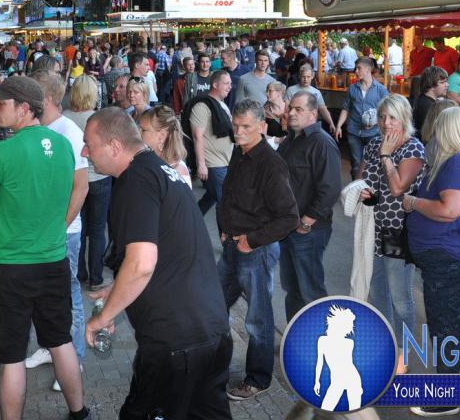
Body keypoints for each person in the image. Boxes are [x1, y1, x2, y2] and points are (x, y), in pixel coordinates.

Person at [82, 108, 233, 420]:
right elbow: (167, 250)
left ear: (114, 146)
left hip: (176, 342)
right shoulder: (159, 170)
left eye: (89, 144)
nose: (84, 152)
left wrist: (102, 318)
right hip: (211, 330)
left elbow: (142, 264)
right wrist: (118, 288)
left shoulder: (135, 179)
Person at [0, 76, 90, 420]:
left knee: (11, 357)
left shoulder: (2, 152)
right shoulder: (63, 145)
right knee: (60, 341)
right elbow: (73, 188)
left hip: (10, 267)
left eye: (2, 103)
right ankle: (80, 413)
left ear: (24, 108)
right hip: (53, 260)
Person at [403, 107, 460, 417]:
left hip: (452, 257)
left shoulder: (457, 163)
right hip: (452, 255)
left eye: (438, 127)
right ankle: (457, 376)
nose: (433, 132)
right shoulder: (454, 161)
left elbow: (449, 210)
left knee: (444, 324)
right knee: (453, 318)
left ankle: (448, 394)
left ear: (447, 130)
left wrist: (414, 202)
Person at [218, 100, 299, 401]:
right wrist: (225, 228)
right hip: (231, 247)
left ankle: (258, 379)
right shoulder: (239, 152)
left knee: (258, 320)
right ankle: (214, 369)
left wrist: (251, 241)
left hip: (256, 251)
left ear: (262, 127)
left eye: (246, 127)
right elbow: (229, 195)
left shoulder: (271, 164)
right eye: (235, 126)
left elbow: (289, 218)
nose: (238, 132)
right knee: (214, 306)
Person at [26, 71, 89, 392]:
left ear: (47, 99)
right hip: (42, 231)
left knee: (68, 295)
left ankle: (74, 358)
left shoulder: (69, 133)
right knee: (44, 295)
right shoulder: (40, 129)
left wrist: (61, 226)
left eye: (32, 94)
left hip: (64, 232)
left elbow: (81, 187)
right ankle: (51, 348)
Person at [358, 94, 425, 375]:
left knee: (400, 297)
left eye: (393, 117)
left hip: (398, 231)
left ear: (405, 118)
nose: (386, 123)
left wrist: (386, 156)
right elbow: (362, 179)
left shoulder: (413, 148)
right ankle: (386, 346)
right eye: (382, 117)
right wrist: (362, 191)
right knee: (377, 292)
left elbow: (398, 188)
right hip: (372, 230)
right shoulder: (373, 144)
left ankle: (403, 351)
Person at [278, 91, 342, 321]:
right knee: (292, 290)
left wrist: (306, 222)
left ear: (313, 114)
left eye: (299, 109)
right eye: (291, 108)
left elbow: (330, 189)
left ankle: (320, 339)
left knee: (311, 291)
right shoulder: (290, 140)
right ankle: (295, 338)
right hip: (286, 228)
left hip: (308, 231)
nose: (292, 113)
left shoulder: (322, 143)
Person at [63, 76, 112, 291]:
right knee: (98, 228)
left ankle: (79, 272)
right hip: (99, 178)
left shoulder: (64, 118)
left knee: (79, 226)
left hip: (74, 180)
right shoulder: (98, 118)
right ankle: (96, 278)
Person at [190, 71, 234, 222]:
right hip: (213, 164)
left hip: (225, 161)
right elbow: (197, 136)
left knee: (211, 197)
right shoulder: (202, 106)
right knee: (224, 203)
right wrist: (201, 164)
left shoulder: (221, 105)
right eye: (226, 83)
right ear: (215, 84)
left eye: (230, 83)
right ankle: (226, 236)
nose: (230, 87)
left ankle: (190, 222)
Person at [335, 57, 389, 179]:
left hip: (373, 133)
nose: (356, 71)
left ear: (368, 69)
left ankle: (369, 189)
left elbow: (387, 111)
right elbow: (346, 109)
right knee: (356, 164)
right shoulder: (352, 89)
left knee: (373, 164)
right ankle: (356, 188)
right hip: (354, 132)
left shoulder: (381, 90)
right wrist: (339, 126)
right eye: (356, 68)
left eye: (359, 68)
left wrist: (379, 123)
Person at [138, 105, 192, 187]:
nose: (139, 133)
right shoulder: (148, 159)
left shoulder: (178, 172)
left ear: (162, 136)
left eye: (143, 130)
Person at [286, 64, 335, 134]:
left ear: (312, 76)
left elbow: (323, 109)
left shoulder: (316, 92)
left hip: (311, 126)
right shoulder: (291, 90)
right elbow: (286, 109)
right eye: (303, 77)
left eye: (308, 77)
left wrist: (331, 123)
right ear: (299, 76)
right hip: (295, 125)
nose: (306, 79)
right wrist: (286, 124)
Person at [413, 66, 449, 137]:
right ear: (431, 85)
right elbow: (429, 134)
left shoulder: (425, 101)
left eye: (446, 81)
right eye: (442, 82)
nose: (447, 85)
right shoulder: (427, 106)